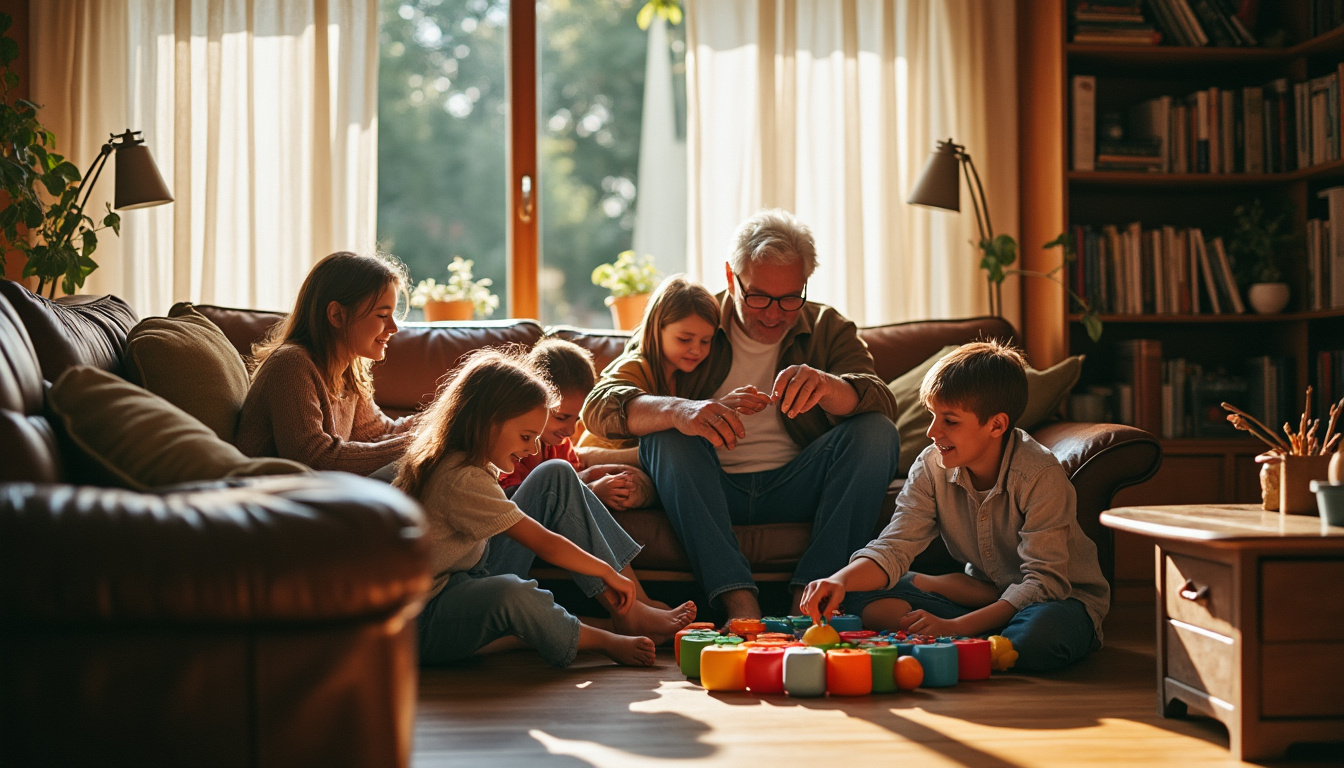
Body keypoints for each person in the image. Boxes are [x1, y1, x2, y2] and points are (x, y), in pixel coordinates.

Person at [582, 209, 901, 621]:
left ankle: (811, 602)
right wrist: (683, 410)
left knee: (876, 432)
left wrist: (830, 388)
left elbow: (882, 401)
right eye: (758, 297)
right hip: (707, 489)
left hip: (799, 486)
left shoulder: (827, 327)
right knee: (667, 429)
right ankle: (739, 604)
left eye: (789, 298)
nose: (773, 314)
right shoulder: (695, 319)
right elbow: (600, 402)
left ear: (805, 285)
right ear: (731, 278)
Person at [799, 340, 1110, 672]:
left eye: (950, 420)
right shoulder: (931, 466)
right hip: (982, 594)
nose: (933, 432)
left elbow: (1043, 583)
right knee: (851, 598)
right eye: (932, 416)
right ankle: (978, 637)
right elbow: (893, 546)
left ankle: (967, 634)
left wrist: (955, 628)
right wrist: (839, 581)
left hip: (1056, 600)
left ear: (996, 425)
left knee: (1037, 640)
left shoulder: (1038, 475)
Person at [397, 347, 696, 668]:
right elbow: (542, 541)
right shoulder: (459, 476)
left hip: (467, 578)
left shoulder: (469, 459)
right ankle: (605, 639)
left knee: (557, 473)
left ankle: (630, 611)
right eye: (527, 435)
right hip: (428, 615)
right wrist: (606, 572)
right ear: (488, 421)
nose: (534, 448)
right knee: (513, 595)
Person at [237, 250, 416, 475]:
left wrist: (444, 422)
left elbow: (381, 434)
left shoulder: (347, 372)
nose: (393, 328)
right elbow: (315, 459)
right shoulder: (291, 365)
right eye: (382, 316)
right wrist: (417, 443)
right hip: (269, 497)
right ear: (337, 315)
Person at [500, 339, 655, 512]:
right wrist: (592, 491)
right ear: (530, 400)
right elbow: (519, 506)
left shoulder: (561, 446)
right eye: (561, 417)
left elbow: (571, 481)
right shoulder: (510, 448)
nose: (571, 431)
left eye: (576, 419)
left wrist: (594, 474)